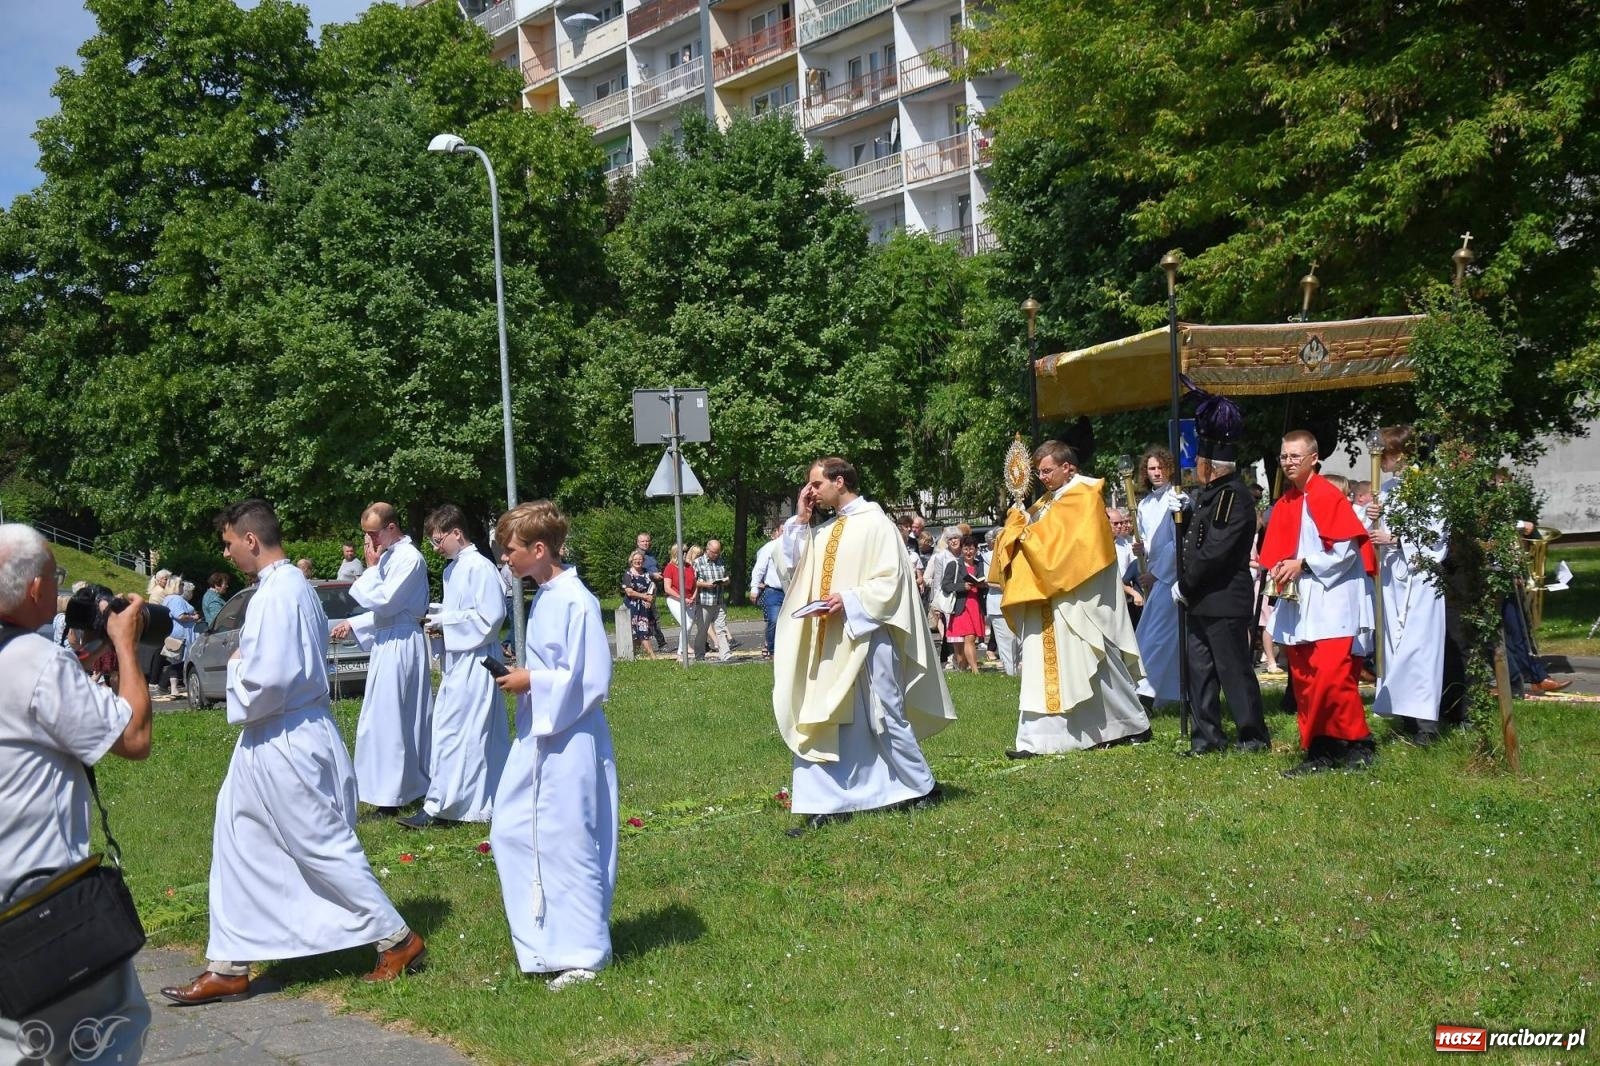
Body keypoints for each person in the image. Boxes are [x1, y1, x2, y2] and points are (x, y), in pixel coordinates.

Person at [160, 499, 424, 1006]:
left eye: (229, 543)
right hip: (271, 736)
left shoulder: (280, 592)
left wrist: (236, 666)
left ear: (251, 540)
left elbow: (272, 677)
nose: (228, 552)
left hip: (285, 735)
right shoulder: (287, 589)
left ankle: (397, 939)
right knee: (238, 837)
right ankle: (230, 961)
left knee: (319, 842)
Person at [0, 525, 152, 1063]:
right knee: (108, 1028)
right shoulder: (31, 661)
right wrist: (126, 647)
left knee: (17, 1043)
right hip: (43, 895)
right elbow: (132, 738)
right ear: (36, 587)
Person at [773, 457, 954, 833]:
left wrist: (851, 600)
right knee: (824, 714)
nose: (811, 492)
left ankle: (922, 786)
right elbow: (791, 569)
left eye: (816, 485)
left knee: (884, 713)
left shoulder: (876, 524)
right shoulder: (825, 530)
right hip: (830, 640)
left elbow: (892, 581)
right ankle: (825, 802)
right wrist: (800, 520)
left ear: (840, 482)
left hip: (869, 633)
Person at [491, 501, 617, 989]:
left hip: (569, 736)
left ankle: (585, 950)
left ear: (539, 550)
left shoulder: (575, 599)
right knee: (513, 830)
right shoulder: (546, 595)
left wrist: (531, 680)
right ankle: (545, 940)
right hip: (540, 733)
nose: (506, 559)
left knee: (570, 839)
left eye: (512, 550)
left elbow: (588, 678)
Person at [991, 441, 1150, 756]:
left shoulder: (1084, 496)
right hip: (1051, 595)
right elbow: (1039, 536)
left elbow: (1063, 552)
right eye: (1039, 472)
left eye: (1047, 470)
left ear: (1069, 468)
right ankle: (1040, 739)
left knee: (1097, 664)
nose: (1043, 477)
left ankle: (1131, 723)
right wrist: (1016, 526)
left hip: (1077, 596)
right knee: (1069, 667)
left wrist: (1024, 535)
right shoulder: (1049, 501)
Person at [1261, 430, 1379, 775]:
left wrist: (1303, 564)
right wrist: (1282, 566)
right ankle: (1321, 749)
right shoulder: (1289, 501)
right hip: (1300, 602)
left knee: (1332, 676)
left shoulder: (1327, 495)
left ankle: (1357, 742)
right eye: (1284, 456)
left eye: (1295, 456)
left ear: (1314, 458)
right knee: (1306, 678)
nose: (1288, 462)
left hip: (1332, 600)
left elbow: (1344, 551)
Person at [399, 505, 512, 830]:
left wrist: (446, 622)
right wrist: (440, 623)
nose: (435, 549)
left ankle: (456, 806)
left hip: (477, 662)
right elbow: (462, 613)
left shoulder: (480, 567)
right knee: (450, 731)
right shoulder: (453, 570)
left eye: (438, 541)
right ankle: (453, 803)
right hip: (457, 662)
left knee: (470, 734)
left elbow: (491, 618)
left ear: (456, 533)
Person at [1174, 393, 1270, 756]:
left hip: (1223, 597)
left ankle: (1252, 735)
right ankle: (1207, 738)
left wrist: (1185, 584)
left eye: (1199, 461)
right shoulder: (1210, 495)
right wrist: (1179, 520)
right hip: (1202, 599)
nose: (1195, 467)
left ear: (1210, 465)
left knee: (1233, 671)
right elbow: (1195, 542)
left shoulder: (1232, 497)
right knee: (1199, 673)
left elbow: (1215, 550)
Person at [330, 503, 432, 814]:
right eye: (366, 536)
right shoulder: (390, 556)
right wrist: (355, 624)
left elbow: (387, 602)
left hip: (402, 643)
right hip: (389, 640)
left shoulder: (409, 559)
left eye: (373, 535)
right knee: (381, 717)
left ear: (391, 528)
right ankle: (394, 789)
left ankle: (394, 795)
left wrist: (371, 570)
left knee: (392, 718)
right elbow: (384, 612)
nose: (370, 543)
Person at [1366, 426, 1452, 742]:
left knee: (1420, 648)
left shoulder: (1430, 486)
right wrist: (1371, 514)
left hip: (1420, 579)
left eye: (1384, 454)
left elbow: (1436, 536)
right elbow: (1369, 528)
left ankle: (1427, 725)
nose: (1380, 461)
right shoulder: (1387, 489)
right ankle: (1405, 718)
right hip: (1393, 580)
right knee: (1395, 647)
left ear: (1401, 453)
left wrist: (1398, 539)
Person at [1134, 446, 1183, 710]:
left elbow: (1176, 543)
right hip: (1152, 575)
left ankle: (1146, 693)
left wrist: (1156, 573)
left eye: (1160, 467)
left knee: (1157, 637)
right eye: (1151, 468)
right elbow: (1150, 541)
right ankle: (1163, 694)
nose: (1156, 473)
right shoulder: (1144, 504)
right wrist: (1142, 551)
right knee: (1149, 635)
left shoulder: (1177, 498)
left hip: (1169, 577)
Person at [942, 535, 987, 673]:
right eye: (966, 549)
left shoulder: (980, 564)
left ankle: (963, 668)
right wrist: (963, 586)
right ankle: (975, 671)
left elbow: (985, 584)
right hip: (961, 607)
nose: (968, 552)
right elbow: (946, 585)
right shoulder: (954, 564)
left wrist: (982, 585)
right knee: (968, 638)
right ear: (961, 549)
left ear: (976, 550)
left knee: (970, 639)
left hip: (976, 606)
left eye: (971, 549)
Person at [982, 529, 1019, 676]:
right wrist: (1013, 587)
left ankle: (1021, 675)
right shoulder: (988, 557)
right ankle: (1012, 675)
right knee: (1006, 644)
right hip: (998, 605)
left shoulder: (1017, 554)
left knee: (1019, 643)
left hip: (1017, 603)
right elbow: (990, 581)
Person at [748, 525, 786, 658]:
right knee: (773, 620)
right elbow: (759, 568)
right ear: (778, 532)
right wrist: (754, 588)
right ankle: (772, 649)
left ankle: (786, 649)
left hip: (791, 591)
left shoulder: (795, 546)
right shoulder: (770, 547)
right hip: (774, 591)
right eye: (783, 530)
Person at [692, 539, 732, 662]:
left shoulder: (721, 561)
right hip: (704, 601)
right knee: (703, 630)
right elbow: (692, 582)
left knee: (721, 628)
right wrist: (705, 584)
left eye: (718, 552)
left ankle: (725, 655)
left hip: (719, 600)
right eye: (714, 552)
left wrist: (726, 581)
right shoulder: (698, 563)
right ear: (707, 550)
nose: (716, 555)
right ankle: (699, 655)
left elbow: (727, 577)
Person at [1108, 507, 1145, 626]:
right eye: (1115, 523)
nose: (1120, 526)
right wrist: (1133, 592)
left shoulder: (1123, 543)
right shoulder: (1101, 545)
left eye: (1121, 523)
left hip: (1125, 597)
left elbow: (1130, 570)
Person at [621, 550, 659, 660]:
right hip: (634, 606)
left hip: (646, 606)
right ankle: (653, 657)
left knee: (640, 632)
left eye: (640, 559)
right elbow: (629, 592)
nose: (638, 561)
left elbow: (652, 586)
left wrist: (650, 598)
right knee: (642, 631)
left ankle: (632, 655)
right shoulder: (628, 574)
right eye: (636, 559)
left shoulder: (646, 572)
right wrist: (644, 597)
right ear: (631, 560)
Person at [635, 533, 668, 651]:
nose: (645, 543)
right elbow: (634, 571)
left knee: (651, 617)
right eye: (643, 541)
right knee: (647, 617)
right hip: (642, 590)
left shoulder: (651, 555)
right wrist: (652, 574)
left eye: (647, 541)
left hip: (653, 588)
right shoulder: (636, 555)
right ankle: (661, 643)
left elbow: (655, 568)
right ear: (638, 543)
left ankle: (642, 646)